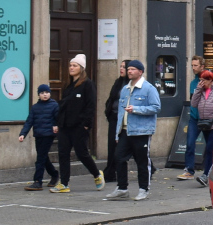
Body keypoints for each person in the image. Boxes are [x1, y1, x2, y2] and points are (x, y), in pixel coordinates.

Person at [107, 59, 161, 201]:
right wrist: (118, 132)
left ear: (140, 71)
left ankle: (144, 189)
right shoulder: (124, 89)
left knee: (142, 161)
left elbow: (156, 107)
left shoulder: (149, 88)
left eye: (132, 69)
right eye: (128, 69)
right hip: (125, 131)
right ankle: (122, 188)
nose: (129, 71)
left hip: (141, 131)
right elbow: (120, 112)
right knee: (118, 158)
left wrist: (136, 109)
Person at [53, 55, 101, 192]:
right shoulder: (68, 86)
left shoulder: (87, 84)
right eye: (70, 65)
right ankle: (64, 183)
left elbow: (91, 106)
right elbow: (63, 106)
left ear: (81, 68)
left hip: (79, 126)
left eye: (75, 66)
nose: (71, 68)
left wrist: (86, 124)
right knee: (63, 153)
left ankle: (97, 174)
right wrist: (58, 123)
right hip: (65, 126)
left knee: (82, 153)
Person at [18, 84, 60, 190]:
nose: (45, 95)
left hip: (48, 135)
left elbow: (58, 117)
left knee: (40, 159)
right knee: (44, 158)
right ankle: (54, 174)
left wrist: (56, 125)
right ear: (38, 95)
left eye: (46, 92)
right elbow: (29, 121)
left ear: (49, 93)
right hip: (38, 135)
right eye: (42, 93)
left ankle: (38, 181)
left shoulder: (54, 105)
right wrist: (23, 134)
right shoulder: (35, 107)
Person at [185, 70, 213, 187]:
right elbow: (193, 104)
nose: (201, 83)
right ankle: (212, 172)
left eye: (203, 81)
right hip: (204, 123)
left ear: (210, 80)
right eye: (200, 80)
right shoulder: (201, 90)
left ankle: (206, 175)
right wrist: (198, 90)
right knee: (209, 149)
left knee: (210, 148)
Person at [178, 55, 206, 180]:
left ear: (202, 66)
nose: (193, 68)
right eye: (192, 65)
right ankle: (189, 169)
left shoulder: (210, 80)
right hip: (194, 117)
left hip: (207, 118)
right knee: (190, 143)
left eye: (196, 66)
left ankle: (209, 170)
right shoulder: (193, 82)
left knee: (211, 145)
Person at [102, 60, 129, 190]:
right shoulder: (118, 82)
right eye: (121, 66)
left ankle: (149, 167)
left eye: (124, 67)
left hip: (126, 119)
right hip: (114, 117)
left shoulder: (130, 84)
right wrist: (108, 110)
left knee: (132, 146)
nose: (121, 69)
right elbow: (112, 98)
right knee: (112, 145)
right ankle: (110, 172)